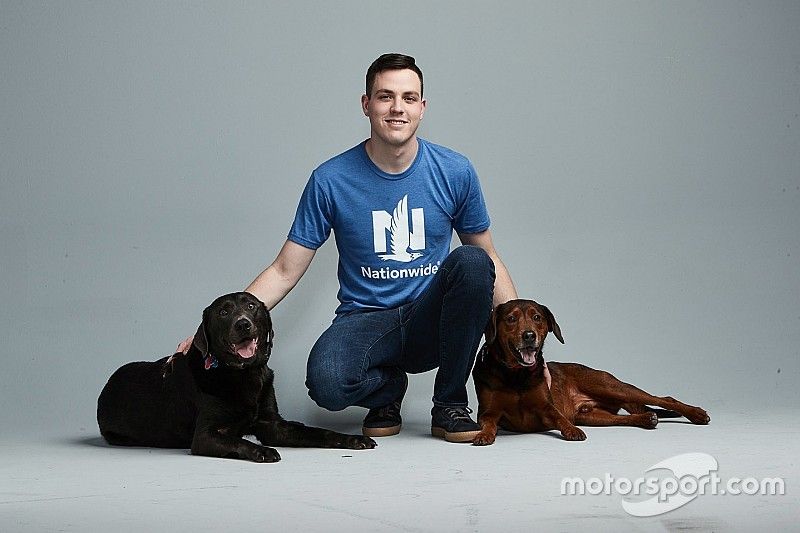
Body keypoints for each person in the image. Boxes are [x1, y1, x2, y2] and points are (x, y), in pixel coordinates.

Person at [182, 53, 518, 443]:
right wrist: (207, 332)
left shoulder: (455, 171)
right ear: (366, 104)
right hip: (366, 320)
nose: (397, 108)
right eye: (385, 96)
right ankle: (388, 392)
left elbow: (489, 258)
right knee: (325, 382)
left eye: (409, 98)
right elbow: (284, 271)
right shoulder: (331, 179)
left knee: (473, 261)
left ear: (422, 108)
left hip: (432, 319)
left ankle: (450, 405)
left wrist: (521, 341)